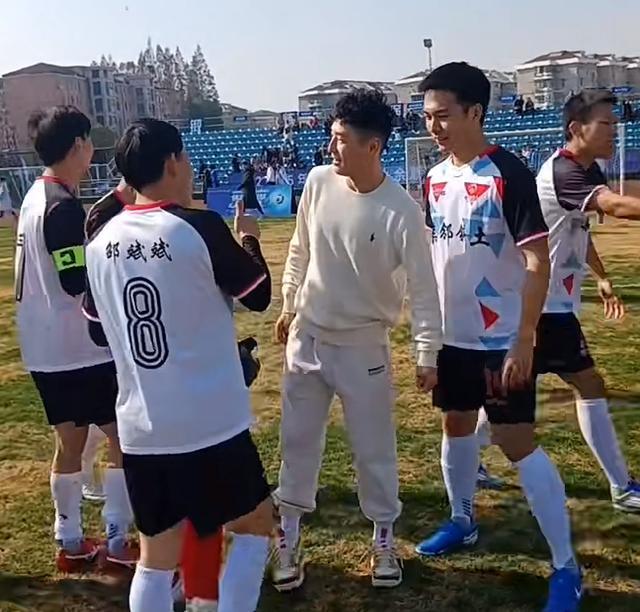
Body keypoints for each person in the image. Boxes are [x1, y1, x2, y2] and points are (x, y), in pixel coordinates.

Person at [82, 118, 274, 612]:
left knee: (156, 558)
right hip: (209, 423)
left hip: (143, 427)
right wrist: (248, 238)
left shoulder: (100, 242)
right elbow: (258, 294)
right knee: (253, 527)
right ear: (172, 163)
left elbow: (96, 329)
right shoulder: (196, 226)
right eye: (185, 158)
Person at [414, 63, 581, 612]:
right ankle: (462, 520)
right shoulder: (434, 179)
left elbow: (538, 260)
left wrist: (525, 337)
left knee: (515, 441)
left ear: (475, 112)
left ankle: (566, 565)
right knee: (456, 424)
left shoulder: (507, 173)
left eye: (443, 115)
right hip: (452, 338)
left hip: (499, 340)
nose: (433, 126)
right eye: (427, 117)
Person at [271, 89, 443, 591]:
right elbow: (300, 248)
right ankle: (288, 536)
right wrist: (289, 303)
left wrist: (427, 352)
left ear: (373, 146)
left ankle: (384, 538)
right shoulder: (317, 182)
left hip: (364, 347)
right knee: (297, 442)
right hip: (307, 338)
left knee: (373, 448)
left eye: (340, 139)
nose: (331, 148)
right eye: (331, 137)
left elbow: (424, 289)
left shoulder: (402, 212)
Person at [15, 106, 135, 571]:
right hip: (79, 349)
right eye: (88, 144)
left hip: (44, 348)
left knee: (69, 442)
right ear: (78, 145)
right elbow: (73, 280)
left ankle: (68, 539)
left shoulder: (36, 196)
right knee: (122, 437)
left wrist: (116, 199)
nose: (91, 154)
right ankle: (118, 540)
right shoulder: (62, 207)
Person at [534, 90, 640, 512]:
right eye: (606, 124)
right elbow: (616, 207)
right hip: (543, 307)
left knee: (511, 393)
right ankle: (622, 487)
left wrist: (601, 276)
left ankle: (469, 458)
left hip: (544, 302)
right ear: (577, 129)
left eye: (616, 123)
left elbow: (578, 228)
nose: (615, 130)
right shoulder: (564, 171)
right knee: (589, 385)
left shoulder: (584, 168)